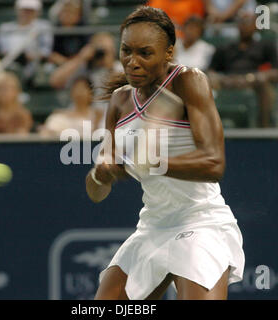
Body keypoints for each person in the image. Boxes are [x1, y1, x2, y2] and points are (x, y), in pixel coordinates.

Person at [85, 6, 244, 300]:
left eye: (145, 53)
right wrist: (101, 173)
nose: (132, 62)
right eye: (126, 51)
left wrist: (154, 164)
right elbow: (96, 192)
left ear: (168, 52)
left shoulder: (189, 81)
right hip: (152, 226)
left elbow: (214, 163)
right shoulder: (119, 101)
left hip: (201, 222)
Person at [207, 12, 278, 127]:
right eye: (241, 22)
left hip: (253, 81)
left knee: (263, 84)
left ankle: (264, 129)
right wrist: (216, 78)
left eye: (248, 22)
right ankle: (211, 128)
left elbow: (275, 71)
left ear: (256, 25)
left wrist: (259, 76)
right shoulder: (226, 47)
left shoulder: (265, 46)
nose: (244, 25)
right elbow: (211, 70)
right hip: (228, 81)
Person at [39, 76, 103, 137]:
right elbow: (46, 134)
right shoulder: (59, 117)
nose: (79, 92)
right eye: (77, 88)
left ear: (91, 93)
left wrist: (97, 122)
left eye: (83, 88)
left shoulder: (100, 116)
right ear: (71, 92)